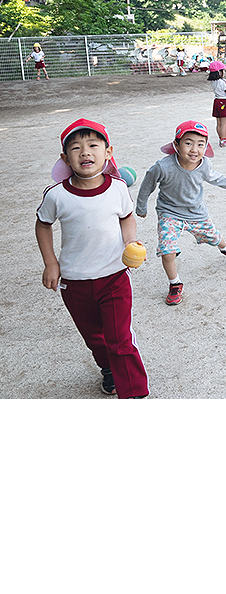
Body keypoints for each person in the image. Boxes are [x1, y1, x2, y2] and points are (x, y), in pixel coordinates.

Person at [35, 118, 149, 398]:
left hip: (114, 275)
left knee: (120, 337)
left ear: (108, 152)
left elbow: (127, 217)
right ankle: (108, 368)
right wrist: (51, 262)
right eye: (76, 148)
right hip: (74, 282)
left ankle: (134, 391)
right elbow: (43, 224)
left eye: (93, 145)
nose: (85, 152)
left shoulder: (118, 188)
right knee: (94, 336)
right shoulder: (57, 195)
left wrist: (130, 240)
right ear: (65, 158)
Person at [136, 121, 226, 305]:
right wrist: (141, 206)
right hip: (169, 212)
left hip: (196, 213)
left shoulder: (204, 165)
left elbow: (218, 178)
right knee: (167, 250)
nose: (194, 149)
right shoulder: (163, 166)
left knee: (213, 237)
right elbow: (148, 183)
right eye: (188, 143)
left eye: (200, 144)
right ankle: (175, 284)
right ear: (176, 144)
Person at [207, 60, 226, 147]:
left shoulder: (213, 82)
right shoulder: (224, 82)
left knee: (219, 122)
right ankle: (224, 140)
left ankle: (221, 138)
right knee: (224, 123)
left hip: (216, 101)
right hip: (224, 102)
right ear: (220, 72)